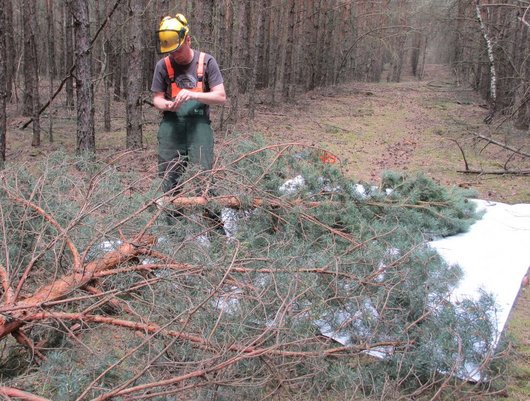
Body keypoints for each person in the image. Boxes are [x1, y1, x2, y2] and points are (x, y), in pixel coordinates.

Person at [151, 14, 226, 226]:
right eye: (171, 52)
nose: (175, 55)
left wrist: (193, 94)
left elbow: (221, 97)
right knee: (169, 182)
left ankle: (215, 234)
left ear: (188, 40)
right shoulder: (162, 66)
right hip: (171, 128)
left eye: (179, 50)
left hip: (199, 127)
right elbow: (156, 98)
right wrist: (167, 104)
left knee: (204, 181)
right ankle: (175, 236)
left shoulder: (206, 61)